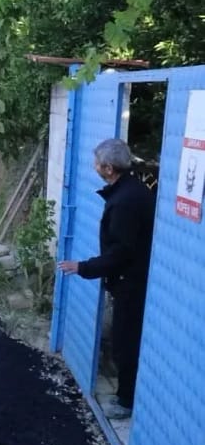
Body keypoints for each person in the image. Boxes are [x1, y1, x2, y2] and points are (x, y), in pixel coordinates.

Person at [58, 138, 156, 420]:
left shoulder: (125, 202)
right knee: (124, 337)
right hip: (130, 278)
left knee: (126, 341)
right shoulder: (131, 189)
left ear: (108, 168)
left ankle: (126, 401)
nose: (94, 166)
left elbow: (121, 253)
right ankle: (126, 389)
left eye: (97, 163)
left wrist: (83, 267)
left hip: (132, 282)